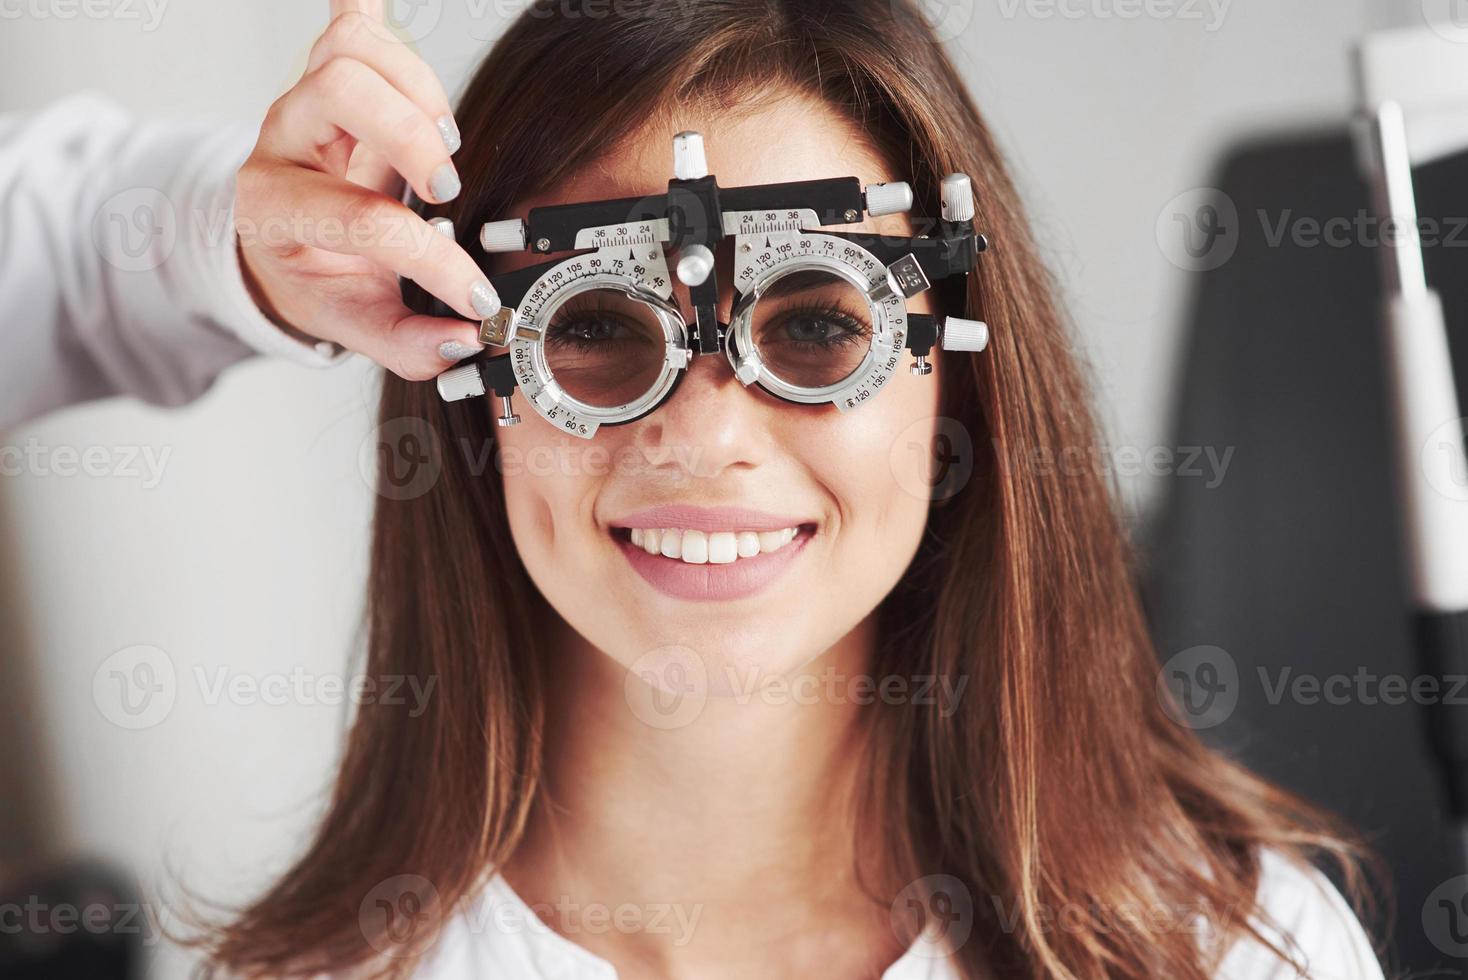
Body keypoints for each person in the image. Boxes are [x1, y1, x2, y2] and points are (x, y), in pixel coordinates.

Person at [3, 1, 1389, 978]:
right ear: (474, 388)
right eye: (597, 327)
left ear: (954, 379)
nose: (707, 436)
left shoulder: (1233, 955)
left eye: (816, 326)